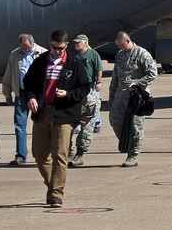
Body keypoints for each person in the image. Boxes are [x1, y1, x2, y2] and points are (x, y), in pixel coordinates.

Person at [22, 30, 90, 208]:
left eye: (60, 48)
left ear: (66, 46)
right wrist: (31, 97)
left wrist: (67, 94)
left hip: (64, 114)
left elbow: (84, 89)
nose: (56, 51)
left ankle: (56, 194)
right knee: (39, 153)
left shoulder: (74, 63)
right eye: (53, 47)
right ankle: (52, 185)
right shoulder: (41, 61)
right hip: (43, 112)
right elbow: (28, 84)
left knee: (60, 155)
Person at [108, 32, 158, 167]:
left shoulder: (142, 54)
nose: (120, 48)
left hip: (137, 96)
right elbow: (115, 77)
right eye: (118, 46)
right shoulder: (120, 55)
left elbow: (153, 73)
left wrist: (138, 83)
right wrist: (111, 94)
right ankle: (127, 145)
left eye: (122, 45)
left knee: (136, 125)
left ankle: (133, 154)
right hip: (120, 94)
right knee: (114, 119)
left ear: (128, 41)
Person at [1, 34, 45, 166]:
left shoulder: (43, 53)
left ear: (33, 43)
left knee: (42, 123)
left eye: (28, 48)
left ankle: (45, 153)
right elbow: (9, 73)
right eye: (23, 48)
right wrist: (7, 92)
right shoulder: (15, 54)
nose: (26, 50)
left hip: (38, 94)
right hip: (21, 93)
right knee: (19, 125)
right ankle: (21, 155)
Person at [68, 34, 102, 167]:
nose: (76, 45)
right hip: (75, 91)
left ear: (85, 43)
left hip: (89, 88)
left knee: (87, 125)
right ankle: (69, 153)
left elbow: (99, 69)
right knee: (68, 125)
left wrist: (98, 82)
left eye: (78, 43)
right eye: (75, 43)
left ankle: (79, 154)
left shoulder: (93, 54)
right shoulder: (73, 56)